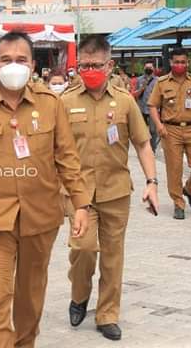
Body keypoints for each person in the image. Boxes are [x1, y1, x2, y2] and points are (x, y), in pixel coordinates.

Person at [0, 30, 90, 347]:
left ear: (33, 65)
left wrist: (81, 204)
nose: (14, 65)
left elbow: (67, 157)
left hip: (40, 217)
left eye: (21, 59)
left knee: (30, 295)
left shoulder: (51, 104)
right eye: (6, 59)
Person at [61, 35, 159, 342]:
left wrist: (152, 182)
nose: (89, 71)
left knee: (113, 256)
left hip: (115, 191)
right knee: (83, 249)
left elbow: (143, 144)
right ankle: (79, 295)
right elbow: (53, 150)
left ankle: (107, 314)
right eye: (84, 66)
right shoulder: (65, 102)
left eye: (96, 65)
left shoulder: (125, 102)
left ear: (110, 65)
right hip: (78, 194)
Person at [148, 47, 191, 220]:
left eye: (183, 62)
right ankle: (178, 203)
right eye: (176, 62)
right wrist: (159, 125)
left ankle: (190, 190)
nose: (180, 65)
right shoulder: (162, 82)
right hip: (171, 130)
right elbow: (152, 106)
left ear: (187, 62)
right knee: (174, 169)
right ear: (170, 62)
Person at [135, 61, 159, 152]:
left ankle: (153, 149)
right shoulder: (139, 79)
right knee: (141, 130)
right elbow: (136, 94)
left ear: (153, 69)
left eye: (150, 67)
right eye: (147, 67)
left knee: (153, 130)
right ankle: (143, 148)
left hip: (152, 108)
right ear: (144, 68)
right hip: (141, 107)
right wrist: (142, 88)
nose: (148, 69)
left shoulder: (158, 80)